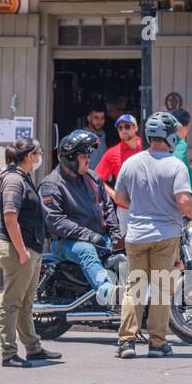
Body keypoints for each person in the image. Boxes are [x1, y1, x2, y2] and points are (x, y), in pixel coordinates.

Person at [113, 111, 192, 359]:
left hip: (136, 235)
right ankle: (157, 343)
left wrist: (141, 205)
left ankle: (126, 342)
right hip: (165, 235)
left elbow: (119, 199)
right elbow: (184, 200)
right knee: (160, 288)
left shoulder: (132, 163)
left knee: (135, 287)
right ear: (170, 136)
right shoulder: (176, 165)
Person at [0, 138, 60, 369]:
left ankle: (33, 348)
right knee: (12, 303)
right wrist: (22, 252)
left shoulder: (22, 177)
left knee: (26, 303)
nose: (40, 157)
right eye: (38, 153)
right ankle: (9, 353)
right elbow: (10, 217)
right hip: (18, 250)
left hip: (30, 248)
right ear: (30, 156)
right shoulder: (14, 179)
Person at [40, 129, 118, 307]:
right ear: (70, 158)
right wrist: (89, 236)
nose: (89, 159)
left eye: (89, 154)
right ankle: (108, 293)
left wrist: (115, 235)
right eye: (84, 155)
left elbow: (108, 208)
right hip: (65, 243)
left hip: (97, 238)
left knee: (125, 254)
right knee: (86, 250)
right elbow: (56, 222)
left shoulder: (93, 178)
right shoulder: (52, 184)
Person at [95, 113, 142, 237]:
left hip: (149, 207)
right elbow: (96, 178)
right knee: (127, 248)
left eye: (127, 126)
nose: (123, 130)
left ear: (135, 128)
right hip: (125, 209)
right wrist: (113, 194)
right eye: (120, 128)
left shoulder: (147, 147)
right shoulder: (112, 153)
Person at [169, 108, 192, 199]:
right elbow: (175, 167)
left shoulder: (166, 141)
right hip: (179, 199)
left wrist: (190, 164)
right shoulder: (180, 143)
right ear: (186, 127)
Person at [85, 105, 109, 169]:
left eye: (102, 118)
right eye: (96, 117)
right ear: (89, 118)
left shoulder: (102, 134)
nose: (99, 121)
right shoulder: (83, 136)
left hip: (100, 177)